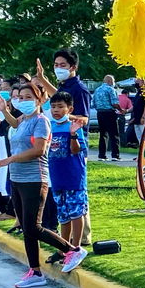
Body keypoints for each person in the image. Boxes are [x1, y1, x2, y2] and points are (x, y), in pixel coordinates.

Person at [0, 86, 86, 287]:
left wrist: (11, 159)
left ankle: (72, 250)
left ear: (39, 99)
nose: (23, 100)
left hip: (34, 179)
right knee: (27, 229)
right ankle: (35, 272)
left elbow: (39, 150)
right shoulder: (23, 120)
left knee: (34, 226)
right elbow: (13, 124)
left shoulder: (41, 121)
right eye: (21, 97)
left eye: (28, 97)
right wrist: (2, 110)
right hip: (17, 179)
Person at [45, 91, 91, 251]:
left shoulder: (74, 126)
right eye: (53, 107)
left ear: (69, 109)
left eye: (60, 107)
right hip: (57, 178)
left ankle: (76, 247)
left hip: (73, 178)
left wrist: (73, 134)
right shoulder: (49, 126)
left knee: (76, 212)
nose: (56, 110)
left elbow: (76, 150)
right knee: (63, 214)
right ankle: (64, 247)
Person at [93, 74, 122, 161]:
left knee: (103, 135)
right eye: (113, 81)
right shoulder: (110, 89)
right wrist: (121, 109)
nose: (114, 83)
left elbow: (93, 103)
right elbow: (114, 103)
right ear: (109, 81)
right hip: (109, 112)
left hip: (100, 112)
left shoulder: (97, 90)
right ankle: (115, 155)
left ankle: (102, 155)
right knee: (114, 134)